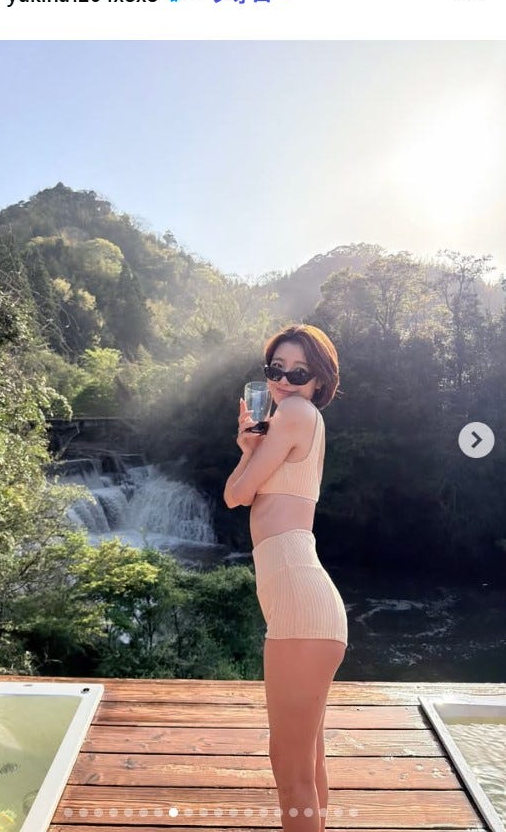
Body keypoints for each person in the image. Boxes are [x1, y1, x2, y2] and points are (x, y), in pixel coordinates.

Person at [224, 323, 347, 832]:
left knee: (290, 768)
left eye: (299, 372)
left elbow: (237, 495)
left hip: (300, 603)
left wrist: (250, 453)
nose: (285, 380)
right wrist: (248, 448)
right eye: (276, 369)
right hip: (306, 604)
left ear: (318, 381)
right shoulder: (294, 421)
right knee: (307, 764)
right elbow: (237, 492)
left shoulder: (295, 413)